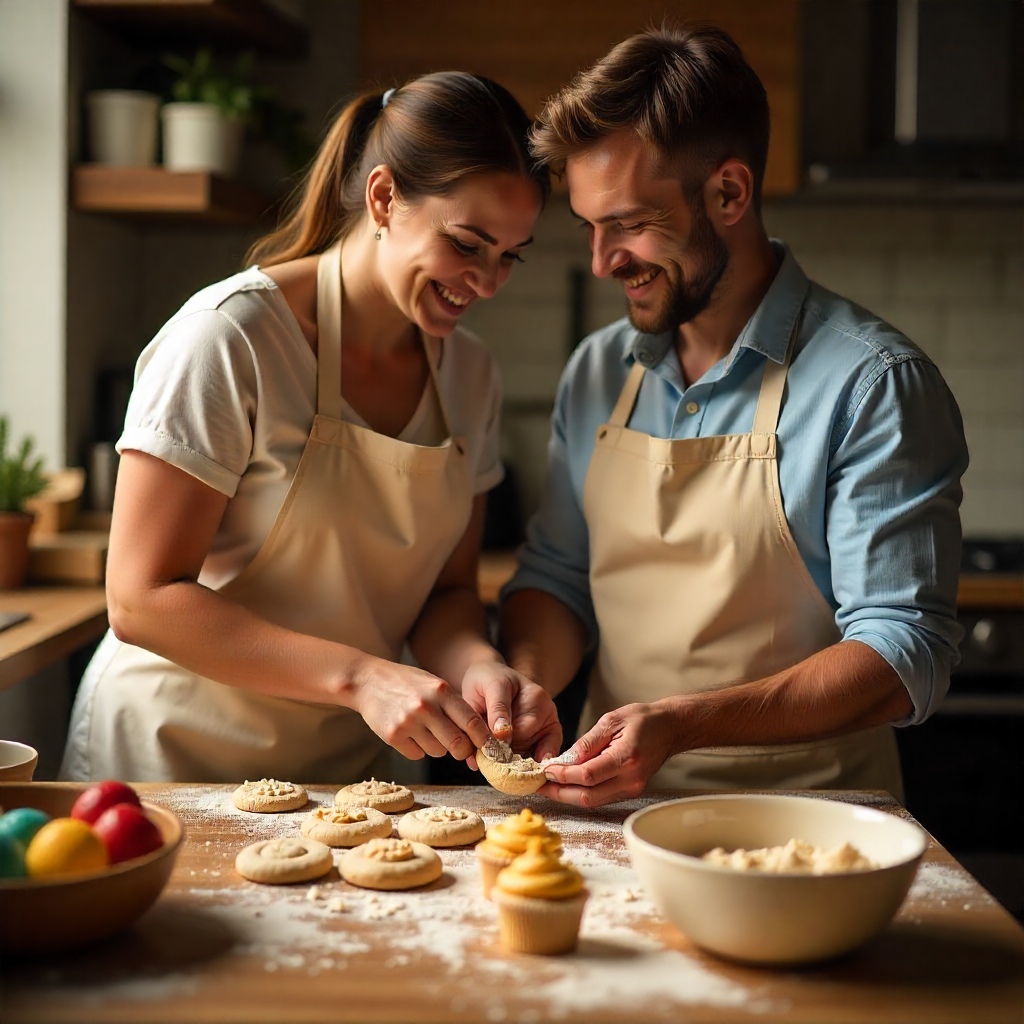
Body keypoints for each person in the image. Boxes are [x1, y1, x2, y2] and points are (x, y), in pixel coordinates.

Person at [499, 27, 969, 807]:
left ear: (728, 193)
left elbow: (902, 653)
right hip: (602, 817)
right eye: (589, 226)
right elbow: (558, 576)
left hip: (812, 831)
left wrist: (682, 725)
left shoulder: (874, 384)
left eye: (628, 224)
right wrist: (529, 683)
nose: (600, 262)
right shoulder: (596, 370)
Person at [62, 72, 562, 783]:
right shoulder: (231, 338)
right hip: (171, 759)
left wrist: (481, 667)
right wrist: (360, 678)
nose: (487, 282)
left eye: (509, 255)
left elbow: (448, 595)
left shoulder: (471, 376)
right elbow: (139, 599)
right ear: (385, 198)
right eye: (468, 244)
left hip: (345, 775)